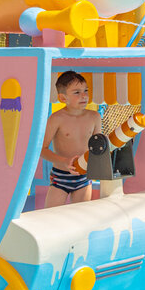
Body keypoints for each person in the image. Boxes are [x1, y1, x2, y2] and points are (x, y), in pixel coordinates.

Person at [40, 71, 101, 208]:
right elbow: (42, 150)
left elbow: (97, 148)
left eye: (86, 90)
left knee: (81, 216)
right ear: (63, 98)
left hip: (84, 176)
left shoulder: (94, 117)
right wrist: (65, 161)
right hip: (60, 177)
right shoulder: (56, 119)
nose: (84, 95)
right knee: (51, 217)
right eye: (77, 92)